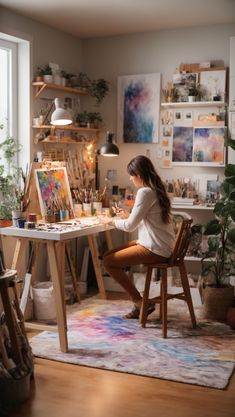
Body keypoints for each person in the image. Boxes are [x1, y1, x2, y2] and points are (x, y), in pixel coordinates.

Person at [103, 155, 175, 319]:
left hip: (155, 249)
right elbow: (147, 221)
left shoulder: (145, 192)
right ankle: (141, 302)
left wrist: (111, 221)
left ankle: (140, 302)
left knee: (108, 262)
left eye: (131, 174)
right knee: (108, 257)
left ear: (139, 175)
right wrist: (128, 215)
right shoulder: (156, 189)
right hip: (158, 245)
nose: (130, 177)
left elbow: (129, 227)